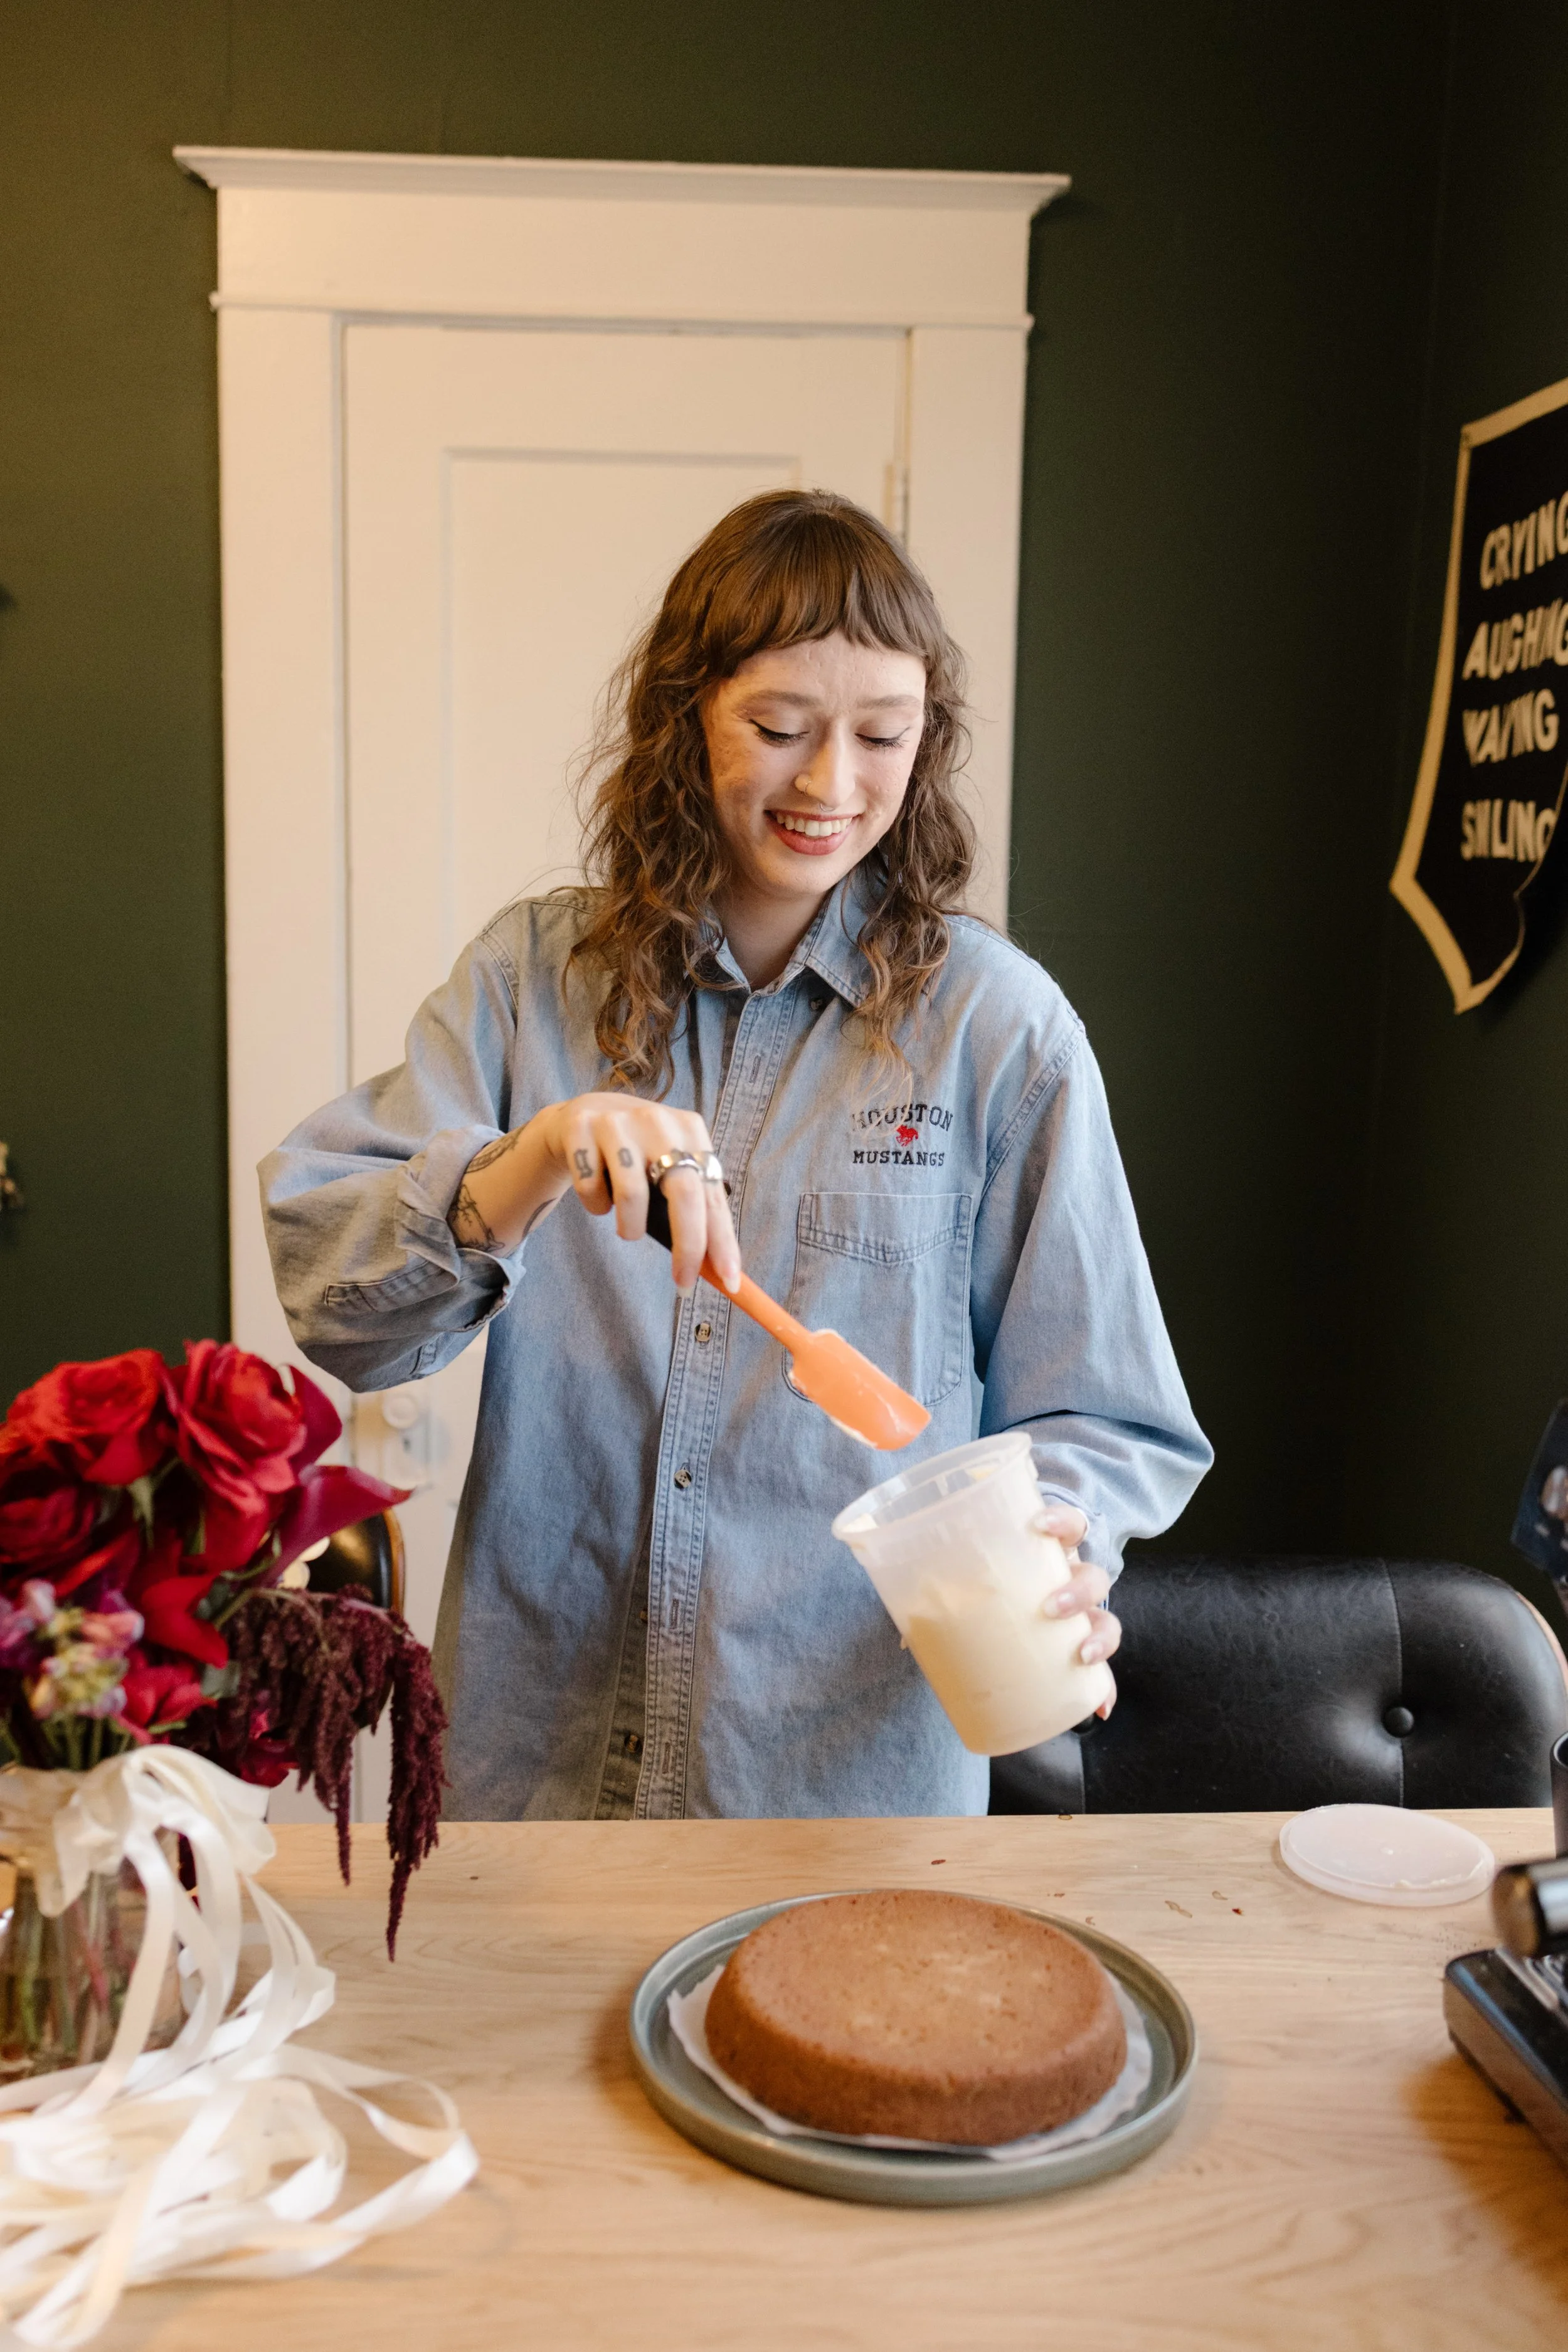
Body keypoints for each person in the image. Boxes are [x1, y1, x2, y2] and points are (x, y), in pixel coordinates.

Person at [262, 490, 1211, 1821]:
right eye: (778, 728)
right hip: (537, 1766)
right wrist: (529, 1159)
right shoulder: (532, 982)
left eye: (882, 736)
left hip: (834, 1779)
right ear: (684, 717)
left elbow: (1105, 1416)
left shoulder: (995, 1031)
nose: (830, 786)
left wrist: (1050, 1546)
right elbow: (335, 1301)